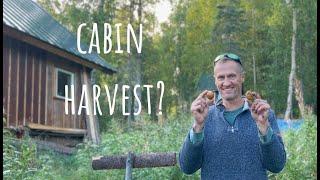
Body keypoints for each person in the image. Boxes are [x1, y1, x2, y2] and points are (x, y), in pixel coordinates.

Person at [179, 53, 286, 179]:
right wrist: (198, 126)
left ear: (242, 77)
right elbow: (187, 167)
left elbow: (277, 165)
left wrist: (264, 127)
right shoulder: (205, 116)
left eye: (231, 76)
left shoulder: (263, 115)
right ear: (215, 80)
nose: (226, 82)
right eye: (221, 77)